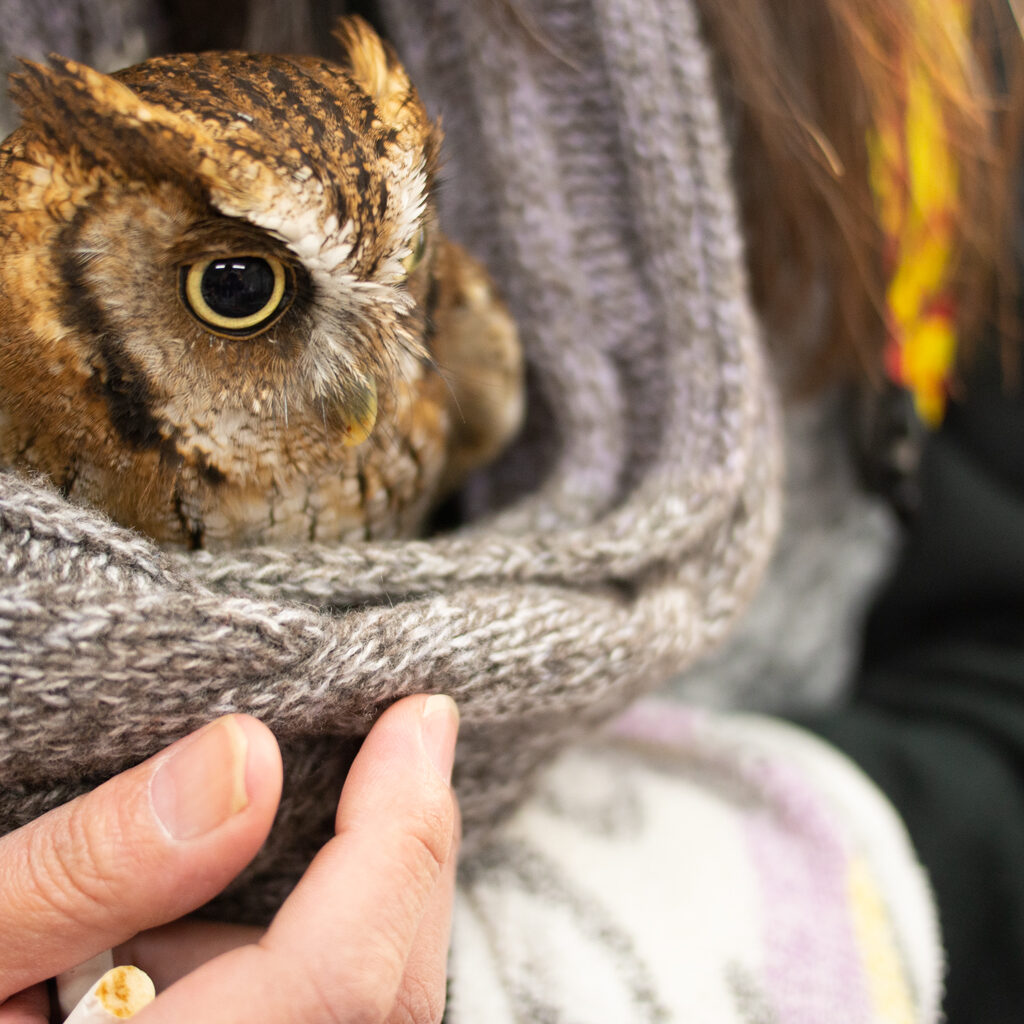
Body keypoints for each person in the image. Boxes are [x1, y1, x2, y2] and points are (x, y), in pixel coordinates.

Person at [0, 0, 1022, 1021]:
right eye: (235, 288)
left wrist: (525, 971)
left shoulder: (906, 51)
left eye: (402, 272)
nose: (367, 393)